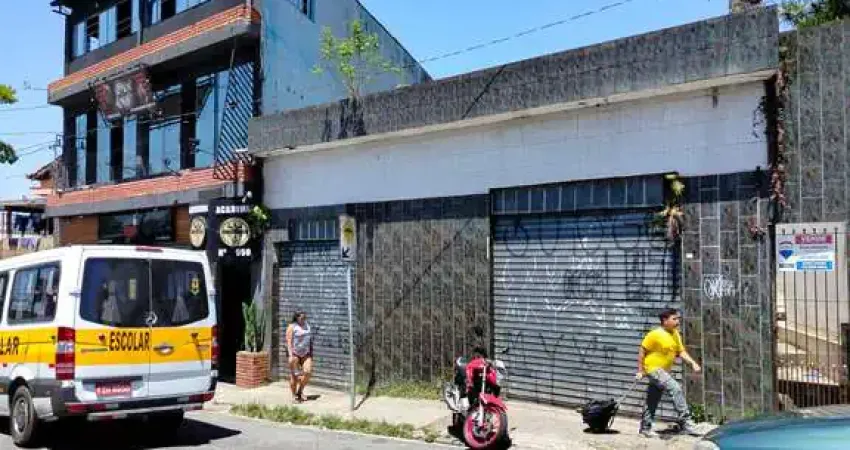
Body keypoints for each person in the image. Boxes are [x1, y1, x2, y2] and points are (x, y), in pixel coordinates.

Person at [636, 308, 702, 437]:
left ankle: (645, 429)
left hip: (663, 371)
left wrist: (693, 363)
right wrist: (640, 371)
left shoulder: (675, 333)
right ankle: (687, 424)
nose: (677, 321)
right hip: (653, 369)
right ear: (665, 321)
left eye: (678, 318)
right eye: (674, 319)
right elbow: (642, 351)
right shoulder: (655, 334)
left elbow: (681, 351)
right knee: (675, 388)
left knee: (652, 399)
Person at [285, 311, 313, 403]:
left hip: (306, 353)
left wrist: (311, 353)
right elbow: (289, 342)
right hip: (295, 354)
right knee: (294, 376)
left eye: (305, 317)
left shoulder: (307, 325)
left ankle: (300, 391)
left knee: (308, 372)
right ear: (297, 318)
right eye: (302, 318)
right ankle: (293, 396)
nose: (304, 319)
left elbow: (310, 340)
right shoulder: (292, 327)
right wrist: (290, 356)